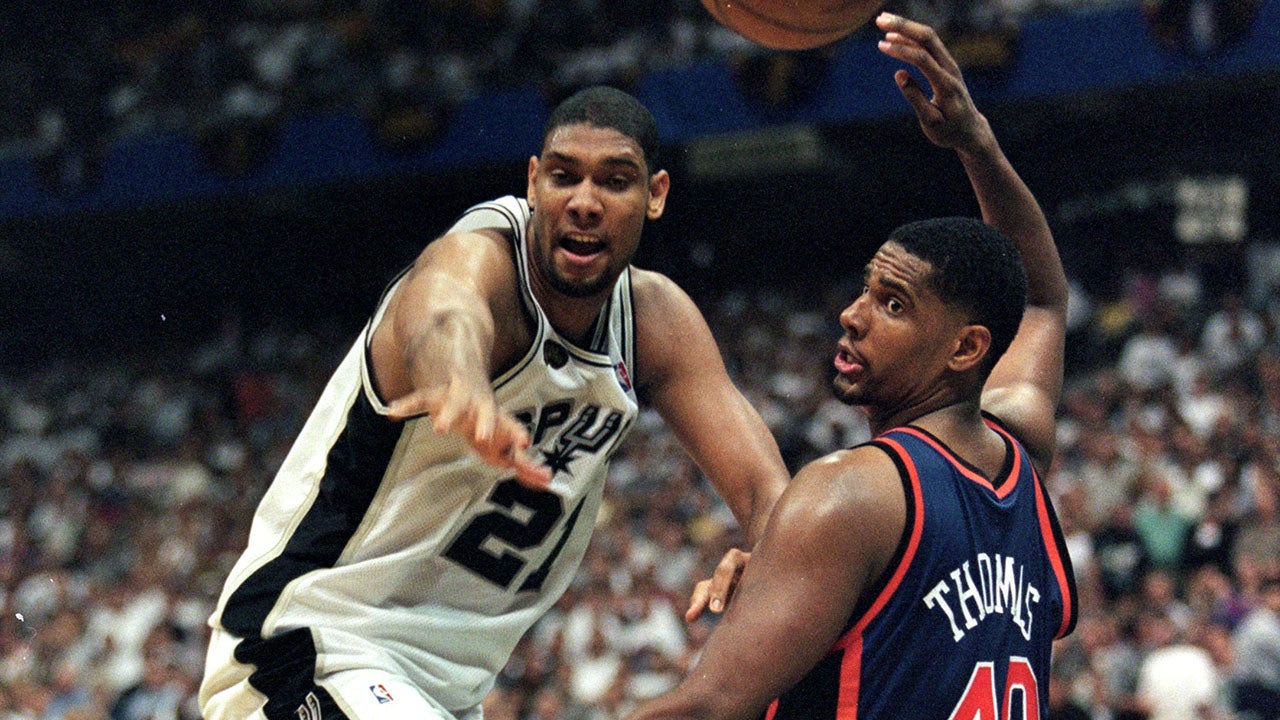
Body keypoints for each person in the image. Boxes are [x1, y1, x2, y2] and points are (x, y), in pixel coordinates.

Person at [198, 86, 789, 720]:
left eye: (615, 182)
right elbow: (442, 309)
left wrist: (781, 549)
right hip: (310, 646)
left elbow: (764, 492)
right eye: (564, 176)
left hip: (445, 692)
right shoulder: (483, 258)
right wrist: (459, 381)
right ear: (534, 183)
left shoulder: (657, 322)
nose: (584, 203)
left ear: (656, 194)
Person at [622, 13, 1077, 720]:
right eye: (866, 288)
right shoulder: (1020, 447)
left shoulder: (848, 494)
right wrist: (974, 141)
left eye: (893, 304)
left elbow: (711, 708)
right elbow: (1043, 300)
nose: (852, 314)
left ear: (965, 349)